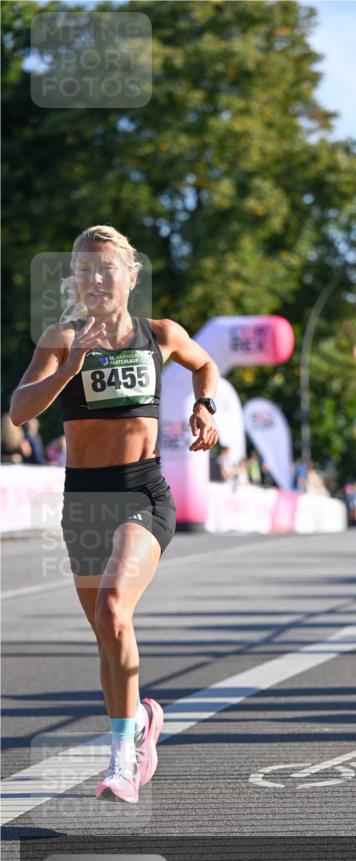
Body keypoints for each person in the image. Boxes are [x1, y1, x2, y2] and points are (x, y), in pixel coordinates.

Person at [8, 225, 219, 804]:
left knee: (112, 609)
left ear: (131, 274)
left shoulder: (162, 334)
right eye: (84, 270)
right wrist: (66, 369)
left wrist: (205, 407)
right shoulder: (61, 336)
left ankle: (123, 759)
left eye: (106, 268)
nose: (95, 279)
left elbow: (205, 366)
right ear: (73, 278)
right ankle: (142, 724)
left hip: (142, 493)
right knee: (107, 634)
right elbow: (20, 411)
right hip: (84, 500)